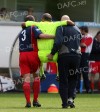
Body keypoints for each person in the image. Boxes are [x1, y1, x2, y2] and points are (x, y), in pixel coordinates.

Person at [22, 13, 74, 80]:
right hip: (53, 54)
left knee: (38, 59)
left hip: (41, 55)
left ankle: (42, 74)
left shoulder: (38, 24)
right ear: (51, 20)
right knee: (59, 59)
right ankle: (58, 75)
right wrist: (73, 24)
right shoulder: (56, 24)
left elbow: (24, 23)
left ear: (42, 19)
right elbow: (68, 22)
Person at [19, 15, 54, 108]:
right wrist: (55, 36)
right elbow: (41, 36)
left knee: (26, 79)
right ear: (32, 21)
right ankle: (35, 100)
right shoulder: (33, 27)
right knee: (36, 77)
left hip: (22, 55)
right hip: (33, 54)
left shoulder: (21, 31)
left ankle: (28, 102)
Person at [47, 15, 82, 108]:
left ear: (61, 21)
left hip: (64, 56)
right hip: (77, 56)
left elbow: (58, 42)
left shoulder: (60, 27)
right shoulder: (77, 29)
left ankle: (65, 103)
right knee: (73, 78)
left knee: (63, 80)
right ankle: (71, 98)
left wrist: (52, 53)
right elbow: (80, 41)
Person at [77, 26, 93, 93]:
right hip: (79, 54)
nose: (80, 32)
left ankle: (88, 89)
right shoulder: (81, 36)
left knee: (85, 73)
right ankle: (77, 89)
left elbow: (84, 45)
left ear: (84, 30)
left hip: (85, 55)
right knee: (77, 72)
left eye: (80, 30)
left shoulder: (89, 37)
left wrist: (77, 44)